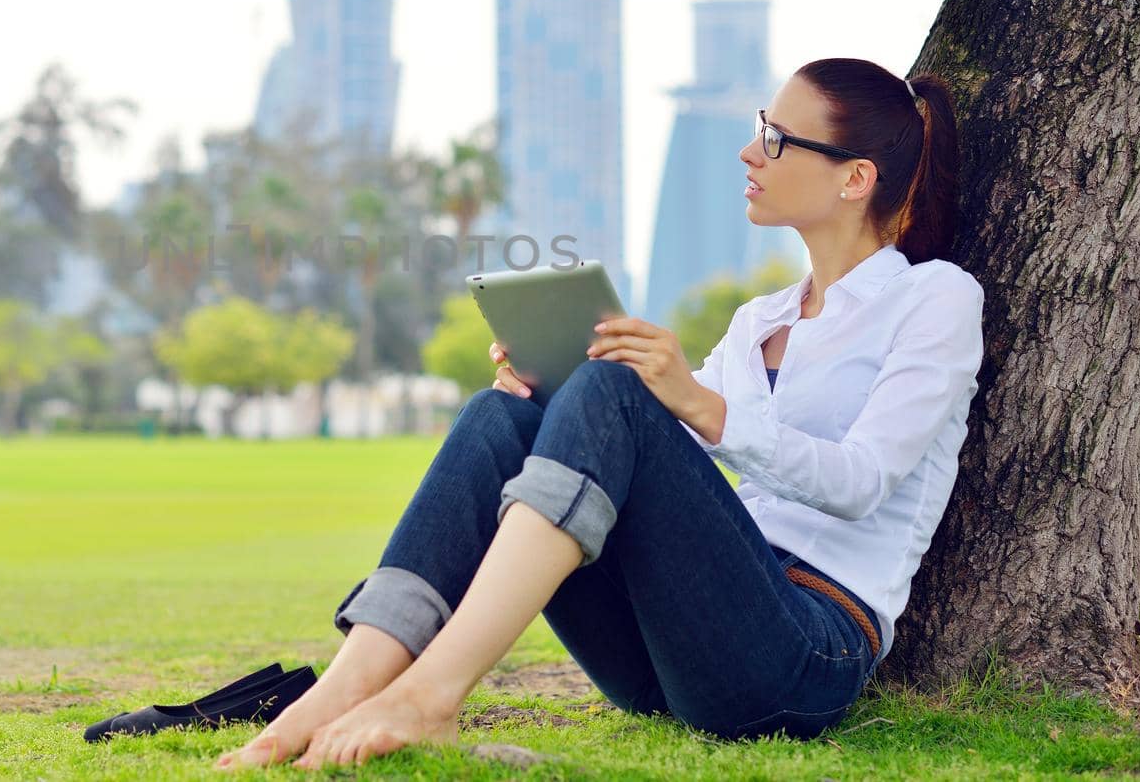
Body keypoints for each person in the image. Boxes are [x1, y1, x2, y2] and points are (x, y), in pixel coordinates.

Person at [217, 58, 985, 770]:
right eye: (760, 130)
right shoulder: (761, 319)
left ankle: (429, 695)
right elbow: (650, 449)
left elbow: (862, 482)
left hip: (801, 653)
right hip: (666, 654)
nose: (751, 155)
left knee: (613, 391)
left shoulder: (934, 297)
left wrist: (696, 402)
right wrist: (549, 390)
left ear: (855, 178)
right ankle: (346, 687)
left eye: (777, 140)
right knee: (504, 418)